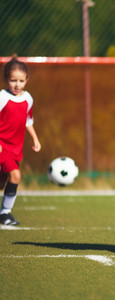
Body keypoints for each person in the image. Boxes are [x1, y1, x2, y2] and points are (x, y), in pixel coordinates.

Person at [0, 56, 41, 226]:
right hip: (2, 147)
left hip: (16, 148)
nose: (17, 85)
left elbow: (28, 121)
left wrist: (35, 139)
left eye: (21, 81)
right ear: (6, 79)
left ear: (27, 80)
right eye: (13, 80)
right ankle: (5, 214)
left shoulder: (28, 99)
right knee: (15, 175)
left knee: (2, 182)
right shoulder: (2, 97)